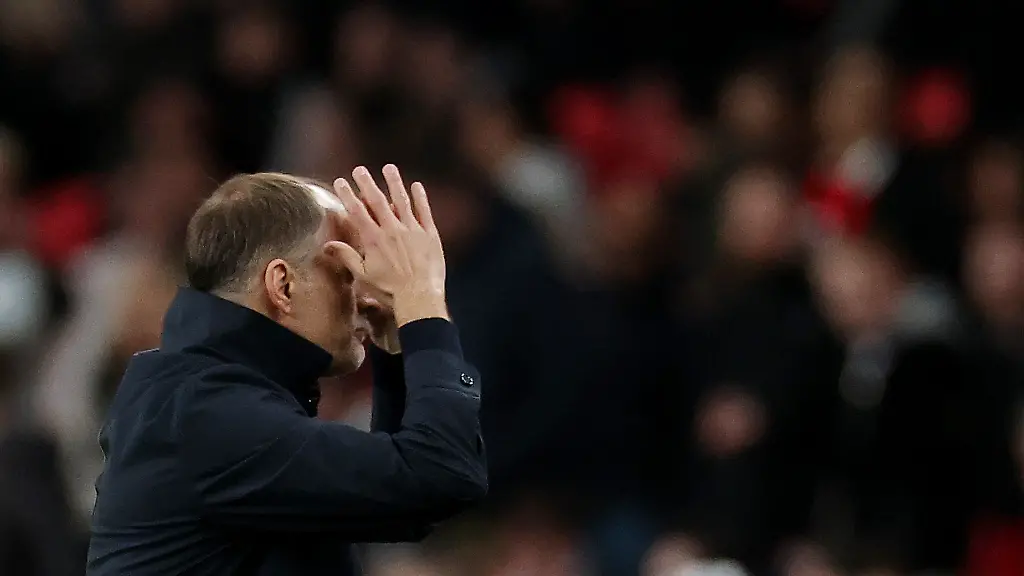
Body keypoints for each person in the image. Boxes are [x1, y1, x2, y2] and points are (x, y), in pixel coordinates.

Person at [86, 165, 488, 576]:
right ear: (283, 285)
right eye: (346, 273)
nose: (366, 294)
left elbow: (402, 505)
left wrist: (398, 346)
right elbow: (438, 476)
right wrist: (422, 303)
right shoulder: (208, 415)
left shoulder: (203, 397)